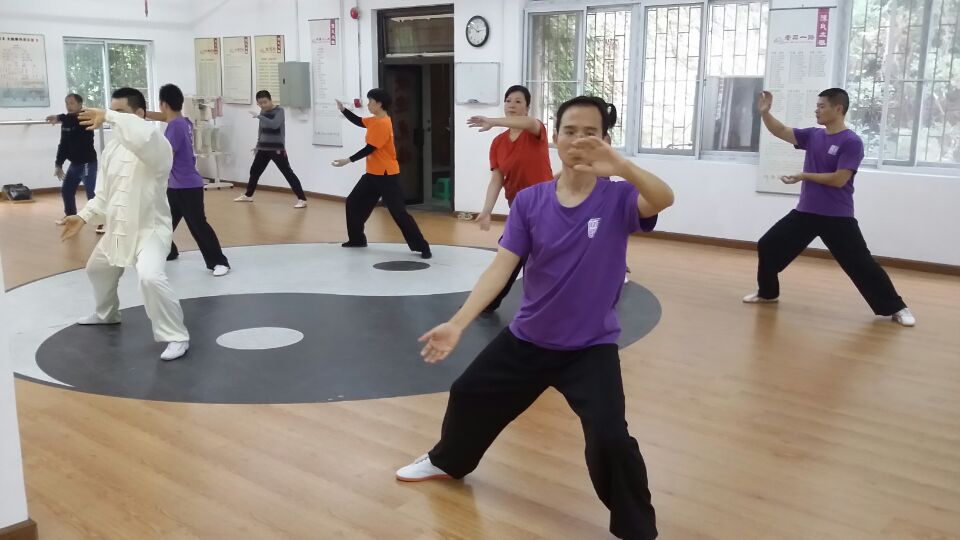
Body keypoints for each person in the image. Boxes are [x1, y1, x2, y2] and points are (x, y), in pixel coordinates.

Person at [396, 96, 674, 540]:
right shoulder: (530, 201)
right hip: (528, 339)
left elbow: (663, 198)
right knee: (468, 392)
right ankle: (448, 461)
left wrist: (621, 166)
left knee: (610, 438)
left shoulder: (619, 197)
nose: (578, 140)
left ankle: (636, 529)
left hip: (590, 348)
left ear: (605, 139)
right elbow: (501, 267)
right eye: (570, 131)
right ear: (555, 138)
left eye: (590, 133)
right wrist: (458, 322)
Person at [744, 88, 916, 327]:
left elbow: (839, 179)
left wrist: (804, 175)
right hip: (806, 212)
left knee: (861, 264)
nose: (817, 110)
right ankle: (768, 293)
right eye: (817, 106)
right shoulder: (814, 135)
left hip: (837, 216)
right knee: (768, 245)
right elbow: (781, 131)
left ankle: (897, 307)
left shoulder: (851, 142)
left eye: (822, 106)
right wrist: (765, 113)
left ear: (838, 109)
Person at [61, 87, 191, 361]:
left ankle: (176, 335)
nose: (111, 118)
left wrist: (109, 115)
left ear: (140, 114)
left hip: (150, 231)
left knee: (150, 277)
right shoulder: (111, 150)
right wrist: (83, 216)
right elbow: (103, 195)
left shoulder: (157, 144)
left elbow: (142, 137)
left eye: (120, 112)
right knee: (97, 269)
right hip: (119, 228)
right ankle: (107, 313)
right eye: (111, 111)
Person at [467, 85, 553, 312]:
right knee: (510, 256)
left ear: (527, 107)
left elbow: (529, 122)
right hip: (519, 208)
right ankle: (488, 303)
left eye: (518, 101)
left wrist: (492, 121)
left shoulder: (535, 130)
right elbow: (497, 179)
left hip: (545, 206)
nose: (512, 105)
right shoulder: (498, 143)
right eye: (508, 101)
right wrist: (486, 210)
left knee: (533, 260)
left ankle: (541, 309)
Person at [332, 89, 432, 259]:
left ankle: (422, 246)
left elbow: (369, 148)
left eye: (370, 102)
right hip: (372, 174)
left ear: (379, 104)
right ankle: (357, 239)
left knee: (398, 212)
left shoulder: (383, 124)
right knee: (353, 202)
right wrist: (343, 110)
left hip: (386, 176)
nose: (368, 105)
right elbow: (359, 121)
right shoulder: (374, 120)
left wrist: (347, 160)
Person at [145, 84, 230, 276]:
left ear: (163, 104)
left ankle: (219, 262)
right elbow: (164, 117)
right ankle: (169, 251)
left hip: (187, 186)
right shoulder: (183, 121)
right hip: (176, 186)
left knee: (198, 225)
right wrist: (142, 114)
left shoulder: (175, 127)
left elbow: (168, 157)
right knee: (165, 222)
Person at [234, 90, 308, 208]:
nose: (263, 105)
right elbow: (261, 130)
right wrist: (257, 145)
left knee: (287, 173)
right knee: (254, 171)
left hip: (277, 149)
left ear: (270, 100)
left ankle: (302, 199)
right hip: (263, 148)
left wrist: (259, 116)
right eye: (260, 103)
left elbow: (274, 125)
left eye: (265, 102)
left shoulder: (280, 111)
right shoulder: (262, 111)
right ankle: (248, 195)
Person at [46, 93, 103, 233]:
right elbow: (63, 145)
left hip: (87, 163)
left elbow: (77, 119)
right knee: (66, 190)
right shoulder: (67, 121)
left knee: (92, 194)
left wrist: (60, 117)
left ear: (80, 104)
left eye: (72, 103)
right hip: (75, 164)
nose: (68, 106)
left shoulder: (85, 118)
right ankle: (70, 216)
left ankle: (101, 221)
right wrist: (58, 165)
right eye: (67, 103)